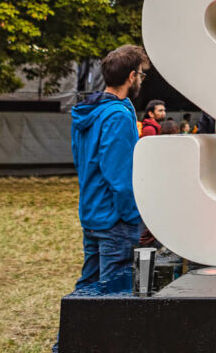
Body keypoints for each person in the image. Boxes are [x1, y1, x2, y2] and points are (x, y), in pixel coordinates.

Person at [69, 44, 148, 294]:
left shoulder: (88, 112)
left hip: (91, 212)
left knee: (88, 289)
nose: (141, 81)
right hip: (115, 220)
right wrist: (133, 217)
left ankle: (73, 334)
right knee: (114, 296)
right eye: (142, 75)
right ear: (131, 76)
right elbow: (120, 178)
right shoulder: (118, 116)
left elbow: (81, 161)